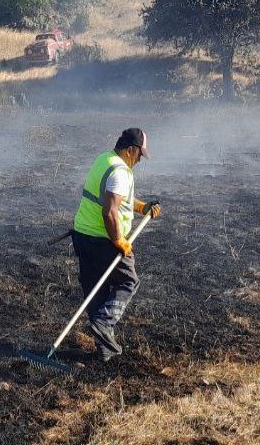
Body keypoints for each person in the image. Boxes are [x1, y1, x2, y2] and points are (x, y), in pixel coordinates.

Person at [70, 127, 160, 362]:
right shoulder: (120, 172)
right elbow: (110, 211)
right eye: (140, 154)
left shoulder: (104, 159)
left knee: (95, 289)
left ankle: (105, 348)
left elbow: (117, 200)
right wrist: (119, 240)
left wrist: (142, 208)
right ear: (131, 149)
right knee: (128, 281)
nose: (140, 159)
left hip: (82, 235)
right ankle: (103, 323)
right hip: (103, 239)